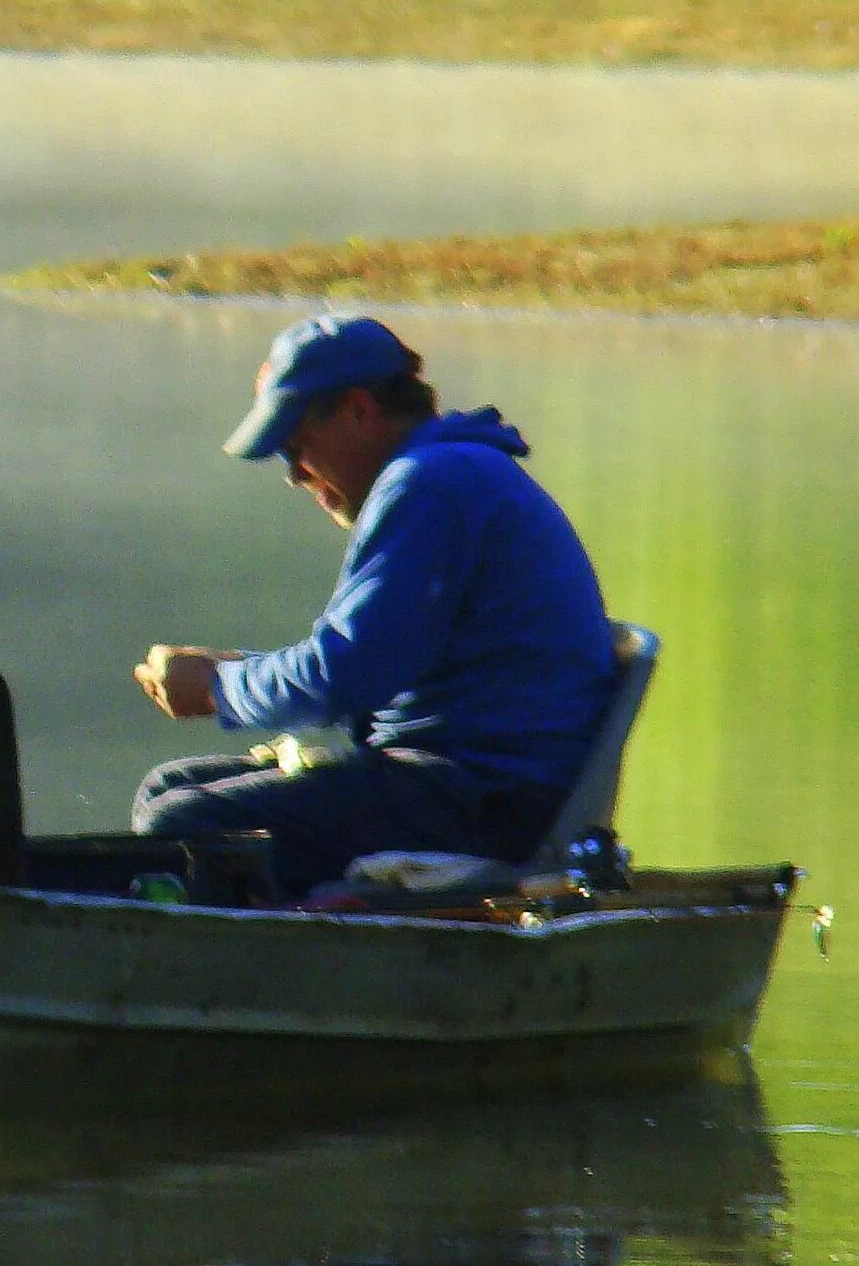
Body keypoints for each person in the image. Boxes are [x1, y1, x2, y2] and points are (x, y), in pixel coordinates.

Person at [129, 314, 616, 901]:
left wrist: (219, 687)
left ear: (359, 411)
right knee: (168, 789)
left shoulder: (428, 485)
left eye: (296, 446)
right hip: (458, 783)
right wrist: (231, 673)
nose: (294, 476)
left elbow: (344, 674)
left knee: (181, 827)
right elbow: (366, 662)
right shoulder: (451, 473)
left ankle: (255, 977)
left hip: (481, 800)